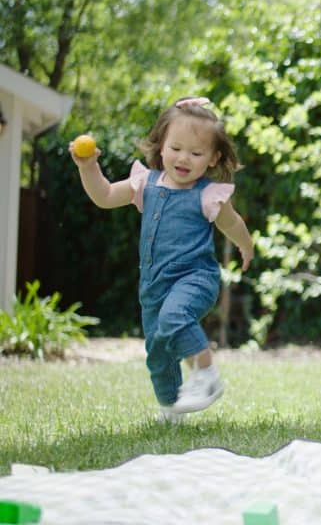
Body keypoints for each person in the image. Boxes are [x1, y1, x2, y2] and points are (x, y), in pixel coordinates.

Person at [70, 96, 254, 423]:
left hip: (195, 278)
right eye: (176, 148)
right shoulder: (146, 182)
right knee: (158, 353)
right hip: (153, 288)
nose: (184, 158)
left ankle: (206, 375)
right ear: (161, 145)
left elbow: (232, 223)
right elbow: (105, 196)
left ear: (213, 159)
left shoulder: (207, 193)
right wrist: (89, 167)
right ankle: (171, 408)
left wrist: (246, 245)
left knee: (175, 317)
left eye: (196, 153)